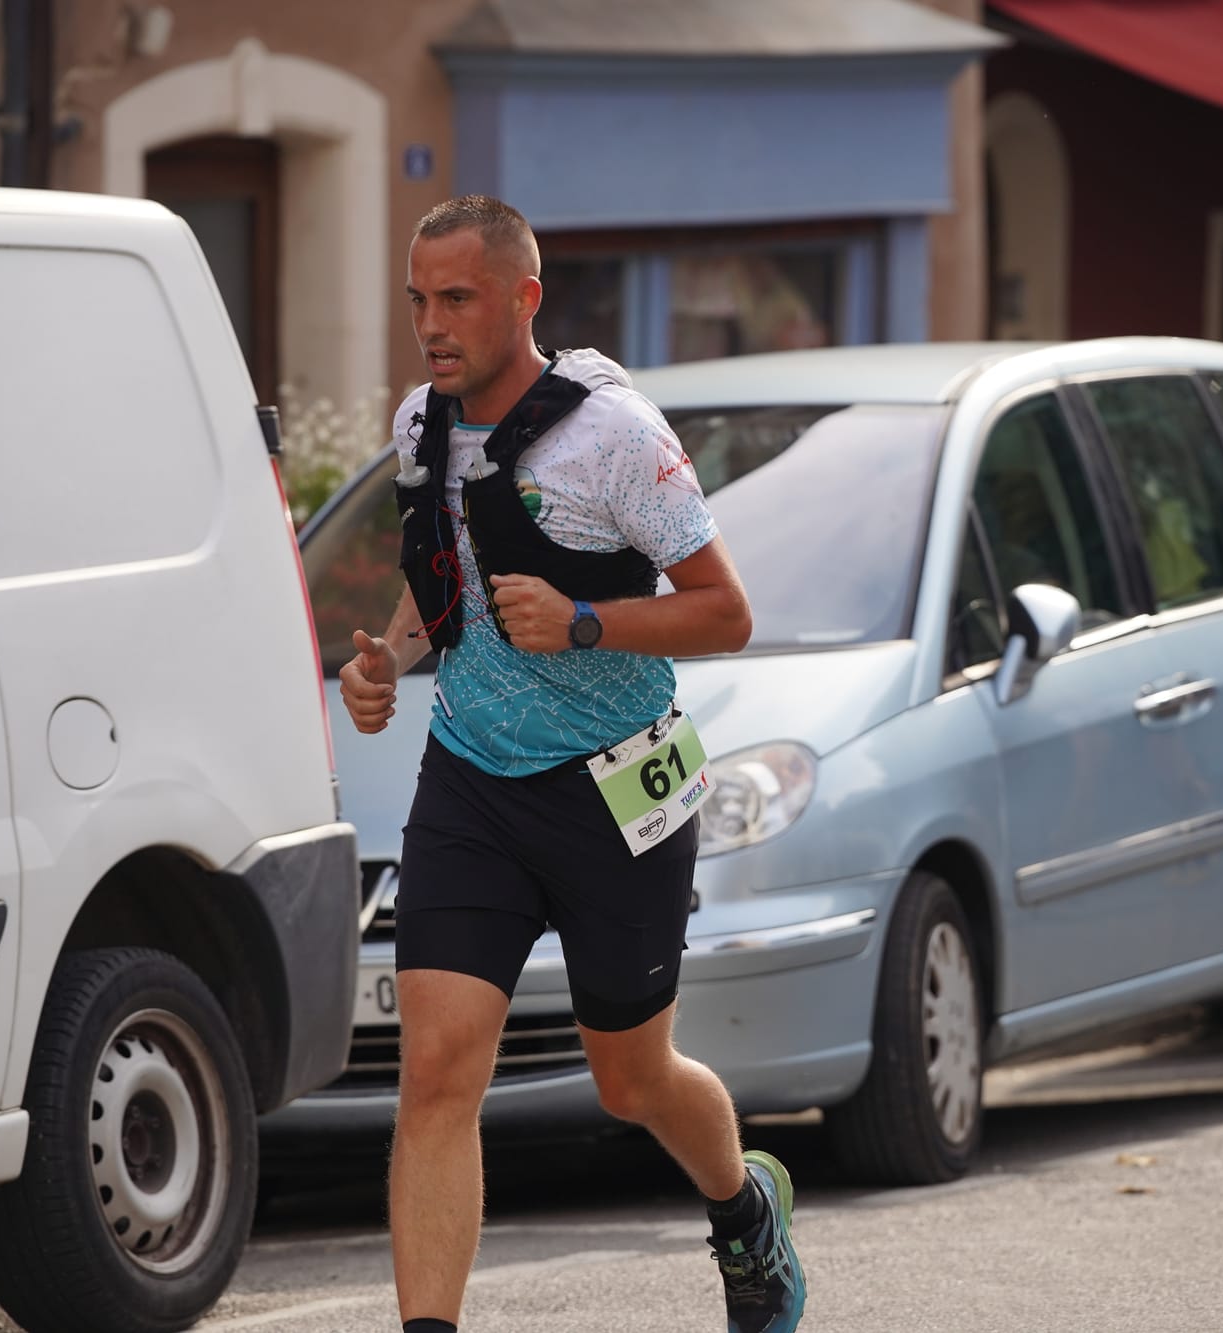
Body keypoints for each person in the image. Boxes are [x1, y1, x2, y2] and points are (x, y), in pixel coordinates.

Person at [338, 195, 806, 1333]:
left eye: (456, 299)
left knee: (629, 1079)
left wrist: (586, 622)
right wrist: (390, 661)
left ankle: (744, 1209)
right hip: (471, 784)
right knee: (439, 1073)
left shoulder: (616, 437)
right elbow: (435, 574)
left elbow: (725, 614)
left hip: (616, 788)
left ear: (521, 299)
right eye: (417, 301)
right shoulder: (419, 426)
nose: (432, 325)